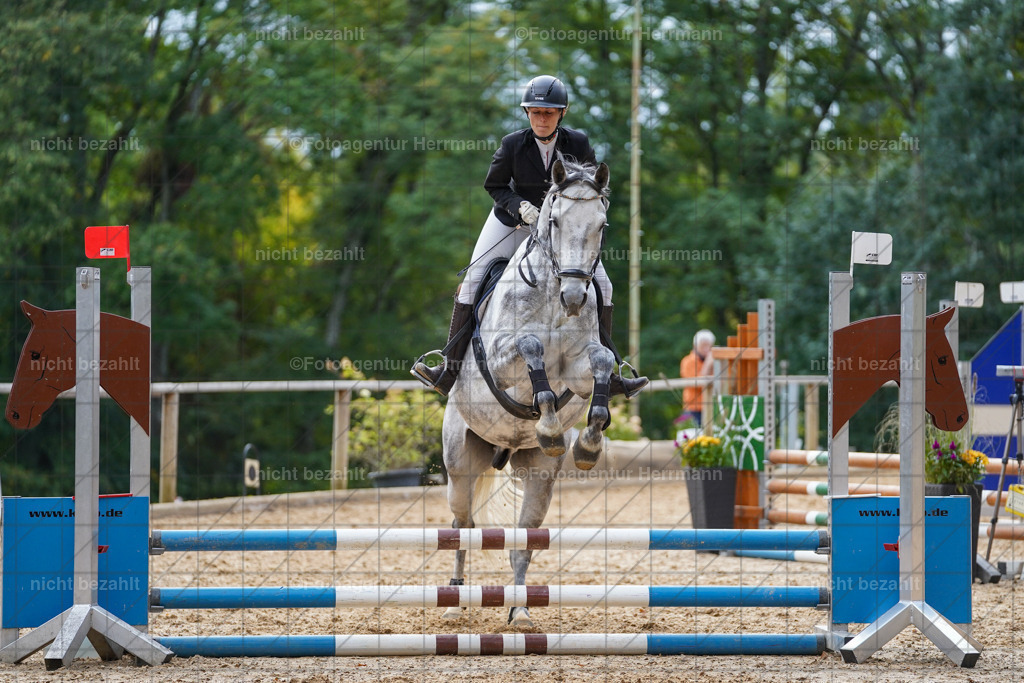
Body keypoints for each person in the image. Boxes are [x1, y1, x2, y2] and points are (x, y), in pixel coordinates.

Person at [412, 75, 648, 399]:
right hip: (513, 222)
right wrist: (521, 207)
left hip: (563, 230)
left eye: (548, 113)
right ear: (527, 113)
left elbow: (593, 191)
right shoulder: (512, 144)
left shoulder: (578, 144)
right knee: (472, 280)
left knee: (604, 286)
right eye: (535, 112)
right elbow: (493, 186)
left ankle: (613, 370)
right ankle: (448, 369)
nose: (541, 119)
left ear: (562, 113)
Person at [680, 329, 716, 425]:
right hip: (694, 409)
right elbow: (697, 384)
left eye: (709, 345)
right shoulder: (688, 361)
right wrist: (708, 365)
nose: (707, 349)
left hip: (710, 407)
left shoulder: (713, 361)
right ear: (695, 346)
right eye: (703, 345)